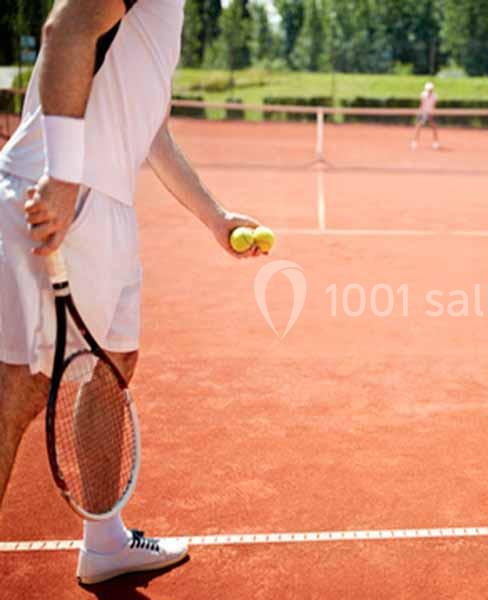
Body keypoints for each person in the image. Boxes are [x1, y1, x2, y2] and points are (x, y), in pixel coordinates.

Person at [0, 0, 266, 585]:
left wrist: (215, 218)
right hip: (66, 193)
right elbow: (67, 27)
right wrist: (65, 178)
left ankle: (105, 542)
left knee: (114, 362)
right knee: (21, 389)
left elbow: (154, 136)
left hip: (103, 203)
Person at [411, 82, 440, 150]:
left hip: (430, 113)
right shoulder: (423, 94)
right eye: (428, 89)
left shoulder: (435, 96)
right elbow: (421, 104)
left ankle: (435, 143)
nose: (429, 91)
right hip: (423, 112)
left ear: (432, 89)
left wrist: (431, 114)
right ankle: (414, 142)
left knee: (434, 127)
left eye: (430, 89)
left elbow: (434, 106)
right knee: (418, 126)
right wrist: (420, 113)